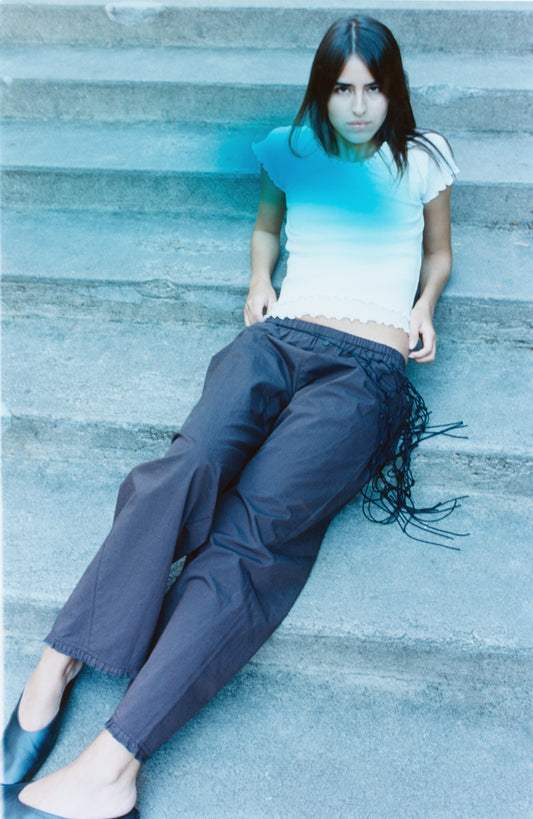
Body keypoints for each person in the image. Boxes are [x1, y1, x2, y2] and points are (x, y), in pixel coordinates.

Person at [2, 14, 461, 819]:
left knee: (253, 537)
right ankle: (62, 657)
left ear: (394, 91)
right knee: (185, 467)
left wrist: (425, 305)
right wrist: (258, 281)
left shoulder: (421, 160)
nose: (358, 107)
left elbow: (436, 251)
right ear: (322, 92)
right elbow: (266, 227)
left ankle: (114, 761)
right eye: (341, 89)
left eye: (373, 89)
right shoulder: (291, 148)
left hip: (365, 370)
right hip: (276, 340)